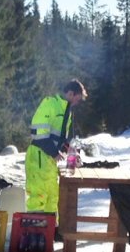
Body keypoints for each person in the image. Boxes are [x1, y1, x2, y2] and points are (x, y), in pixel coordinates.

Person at [25, 80, 87, 218]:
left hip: (50, 160)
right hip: (39, 155)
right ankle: (35, 232)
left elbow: (60, 138)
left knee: (52, 196)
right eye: (76, 100)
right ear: (70, 93)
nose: (76, 103)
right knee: (38, 194)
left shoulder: (66, 112)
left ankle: (51, 230)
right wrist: (54, 153)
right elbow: (38, 134)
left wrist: (70, 150)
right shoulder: (50, 104)